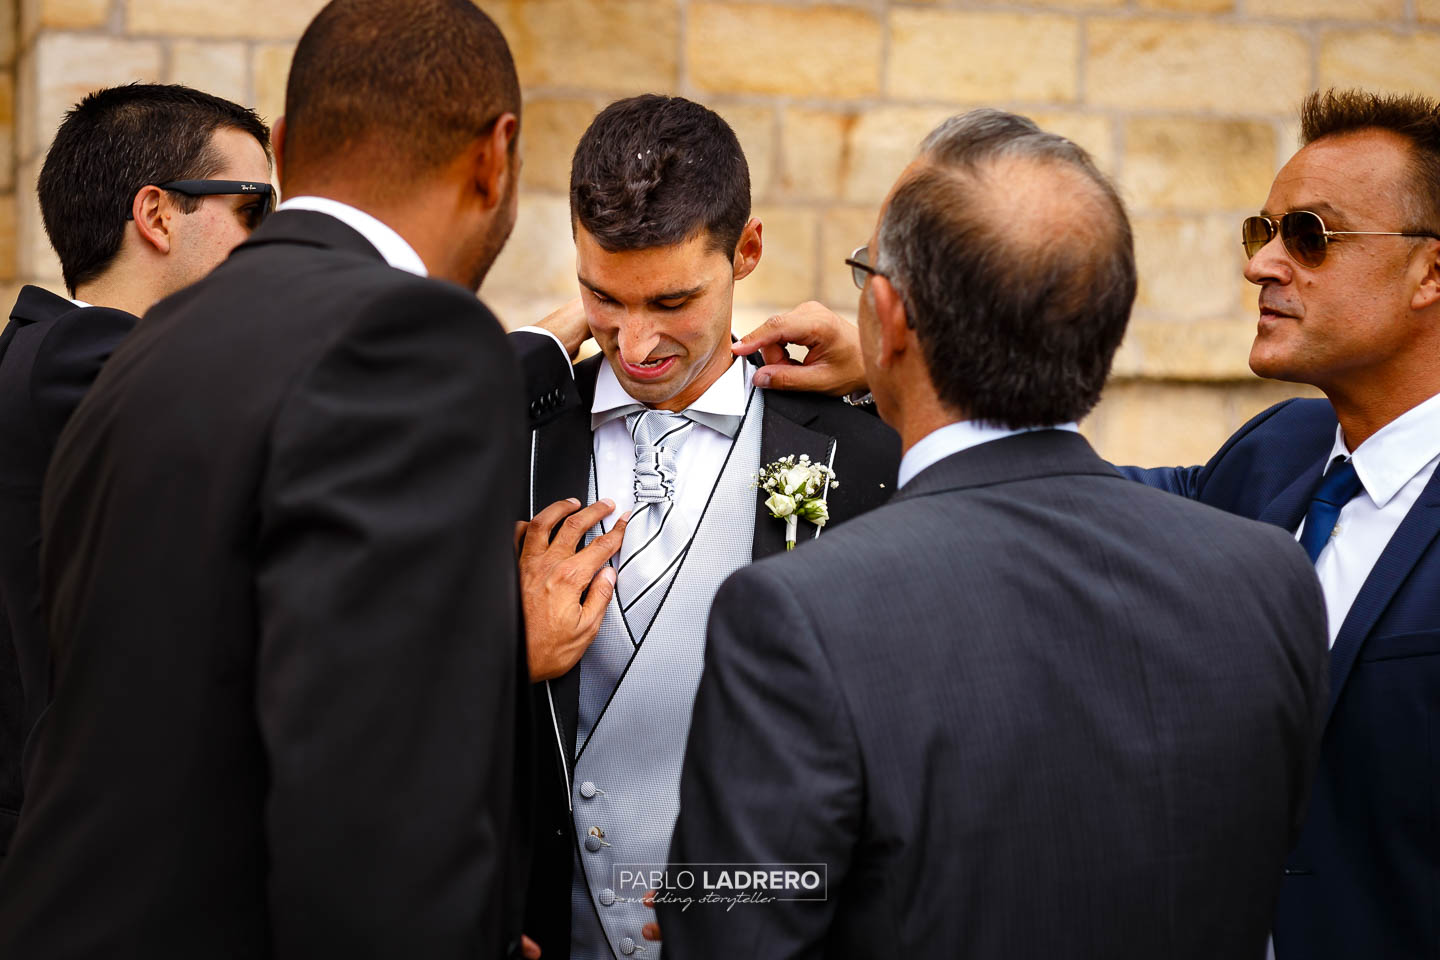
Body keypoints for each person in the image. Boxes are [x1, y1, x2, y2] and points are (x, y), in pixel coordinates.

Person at [736, 88, 1440, 959]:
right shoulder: (1283, 450)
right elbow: (1064, 494)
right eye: (1262, 234)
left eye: (1309, 237)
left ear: (1431, 272)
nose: (1261, 266)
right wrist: (896, 370)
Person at [0, 1, 618, 956]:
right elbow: (371, 771)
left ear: (287, 145)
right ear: (497, 155)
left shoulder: (137, 353)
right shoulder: (403, 333)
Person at [519, 94, 900, 960]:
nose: (637, 341)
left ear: (749, 250)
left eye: (673, 299)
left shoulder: (869, 451)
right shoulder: (509, 435)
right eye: (602, 297)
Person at [0, 83, 272, 860]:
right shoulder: (77, 362)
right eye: (255, 211)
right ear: (155, 214)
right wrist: (537, 348)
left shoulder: (71, 364)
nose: (272, 246)